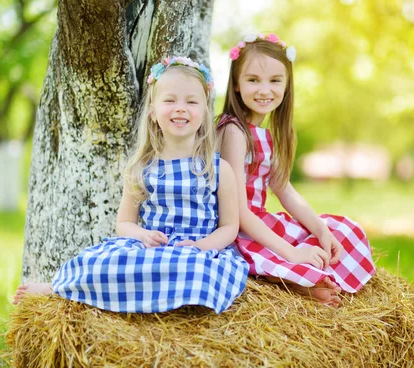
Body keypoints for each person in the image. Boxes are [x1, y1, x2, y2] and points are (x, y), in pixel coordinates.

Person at [14, 56, 249, 314]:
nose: (180, 108)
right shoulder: (142, 168)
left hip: (196, 252)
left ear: (205, 111)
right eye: (170, 100)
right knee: (102, 263)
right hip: (150, 249)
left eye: (191, 102)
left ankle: (175, 298)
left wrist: (202, 246)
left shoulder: (218, 169)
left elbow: (229, 227)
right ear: (152, 111)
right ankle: (58, 288)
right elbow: (124, 223)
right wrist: (143, 235)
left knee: (195, 272)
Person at [216, 34, 376, 307]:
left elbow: (284, 189)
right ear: (236, 85)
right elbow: (238, 213)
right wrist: (292, 253)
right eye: (253, 80)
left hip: (258, 221)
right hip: (236, 227)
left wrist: (322, 229)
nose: (264, 90)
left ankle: (304, 278)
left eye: (275, 81)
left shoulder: (267, 134)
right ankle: (298, 285)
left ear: (287, 85)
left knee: (343, 230)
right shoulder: (234, 131)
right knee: (283, 254)